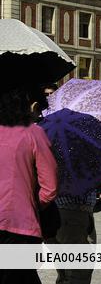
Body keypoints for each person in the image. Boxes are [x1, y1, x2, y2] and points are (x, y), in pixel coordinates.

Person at [0, 85, 58, 284]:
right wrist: (31, 205)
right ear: (31, 106)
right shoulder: (34, 133)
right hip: (21, 224)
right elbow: (50, 188)